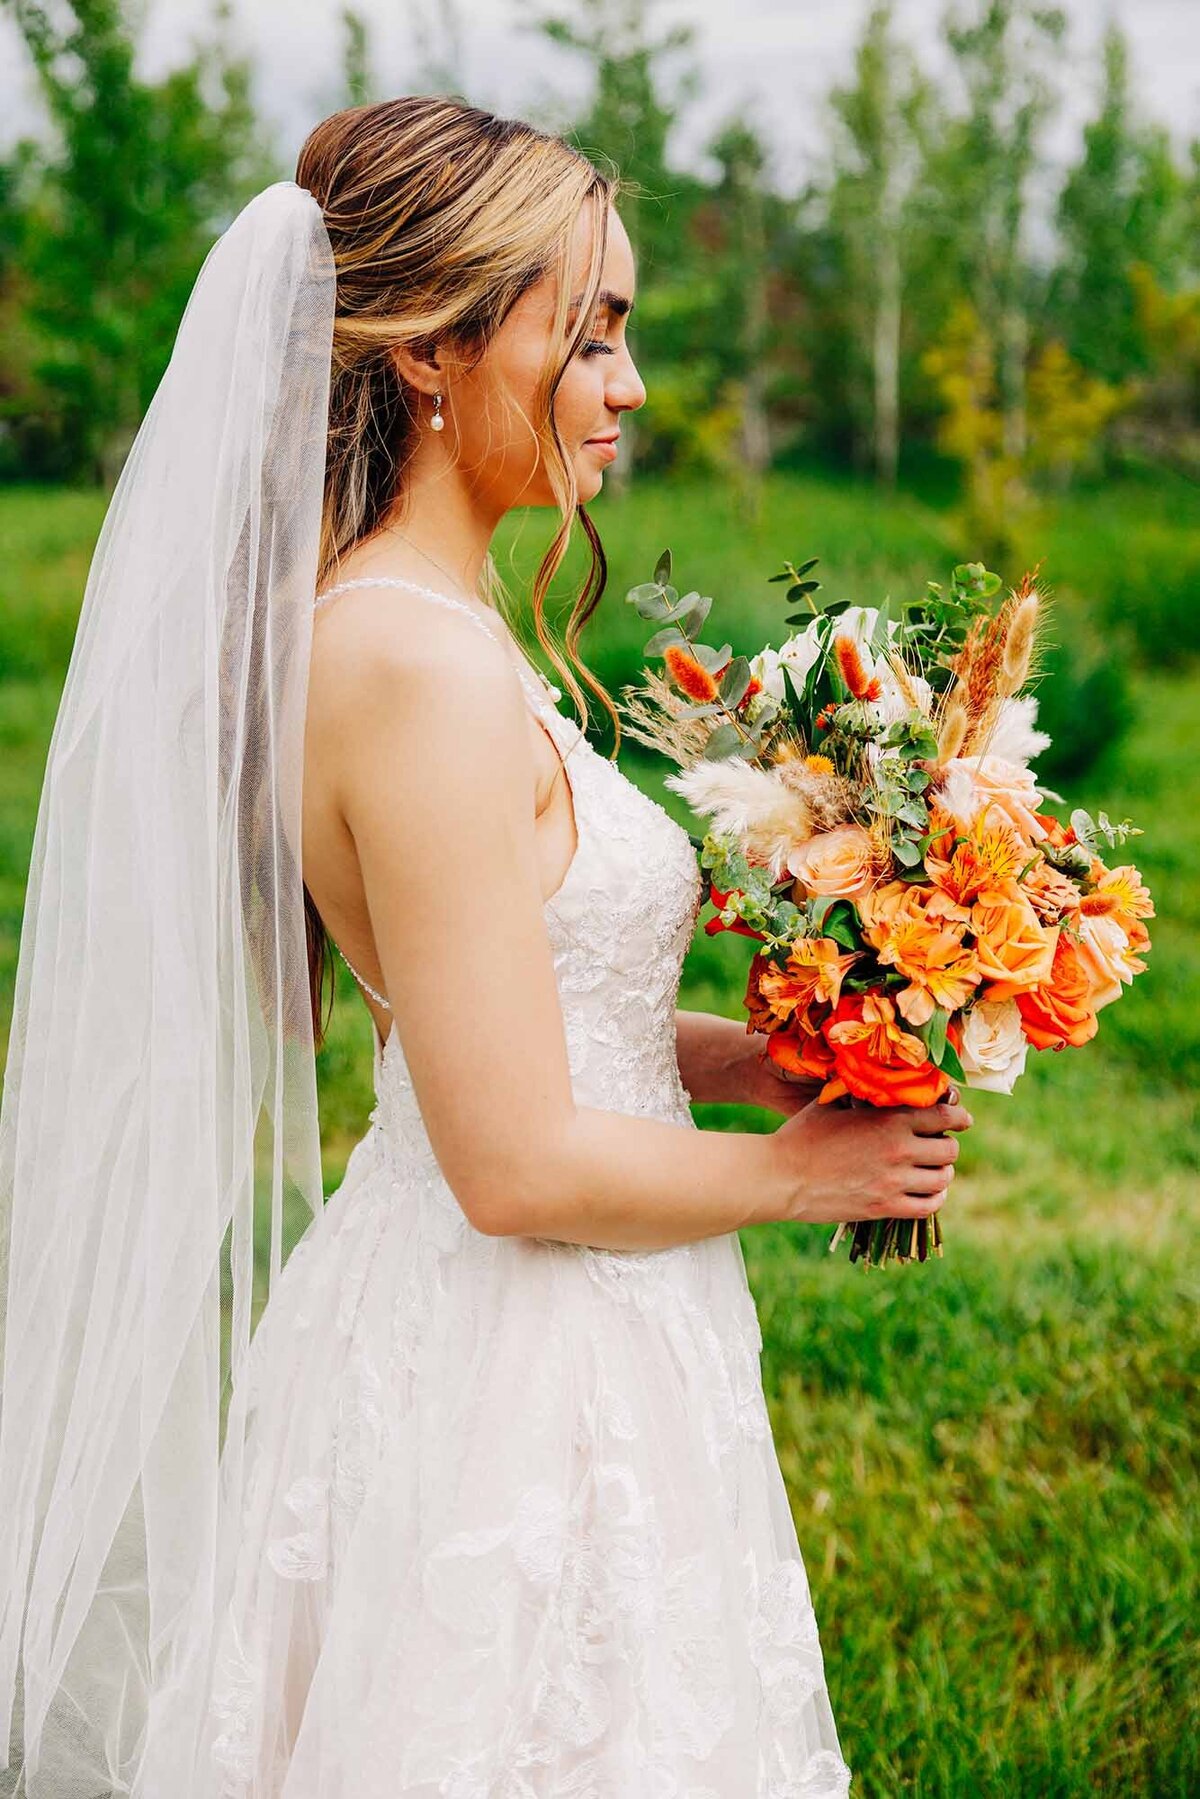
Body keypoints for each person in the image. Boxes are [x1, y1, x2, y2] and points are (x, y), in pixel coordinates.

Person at [0, 96, 969, 1797]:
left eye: (628, 330)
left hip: (585, 1313)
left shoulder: (433, 629)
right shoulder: (412, 668)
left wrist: (765, 1056)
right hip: (506, 1357)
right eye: (587, 332)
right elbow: (512, 1159)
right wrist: (808, 1172)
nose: (631, 382)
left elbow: (509, 1010)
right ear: (435, 351)